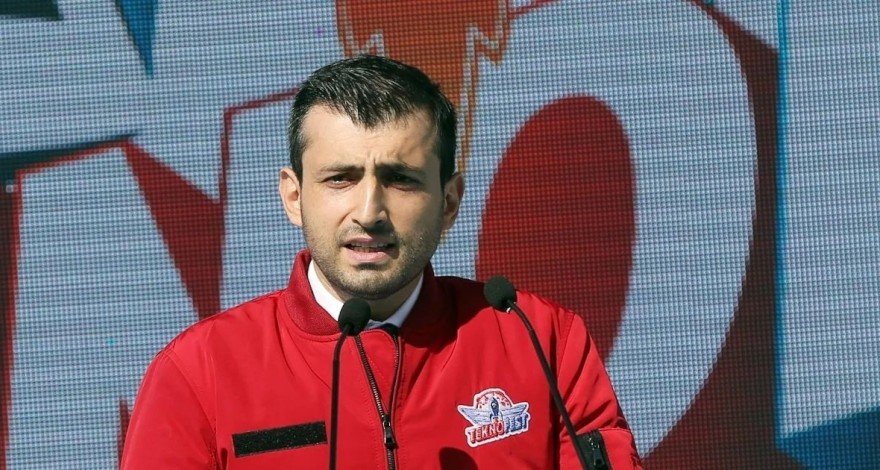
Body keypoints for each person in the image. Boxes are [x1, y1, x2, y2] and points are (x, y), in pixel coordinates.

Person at [122, 55, 642, 469]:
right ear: (294, 196)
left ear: (450, 202)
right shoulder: (198, 374)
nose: (369, 212)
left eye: (401, 180)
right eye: (340, 179)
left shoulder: (542, 340)